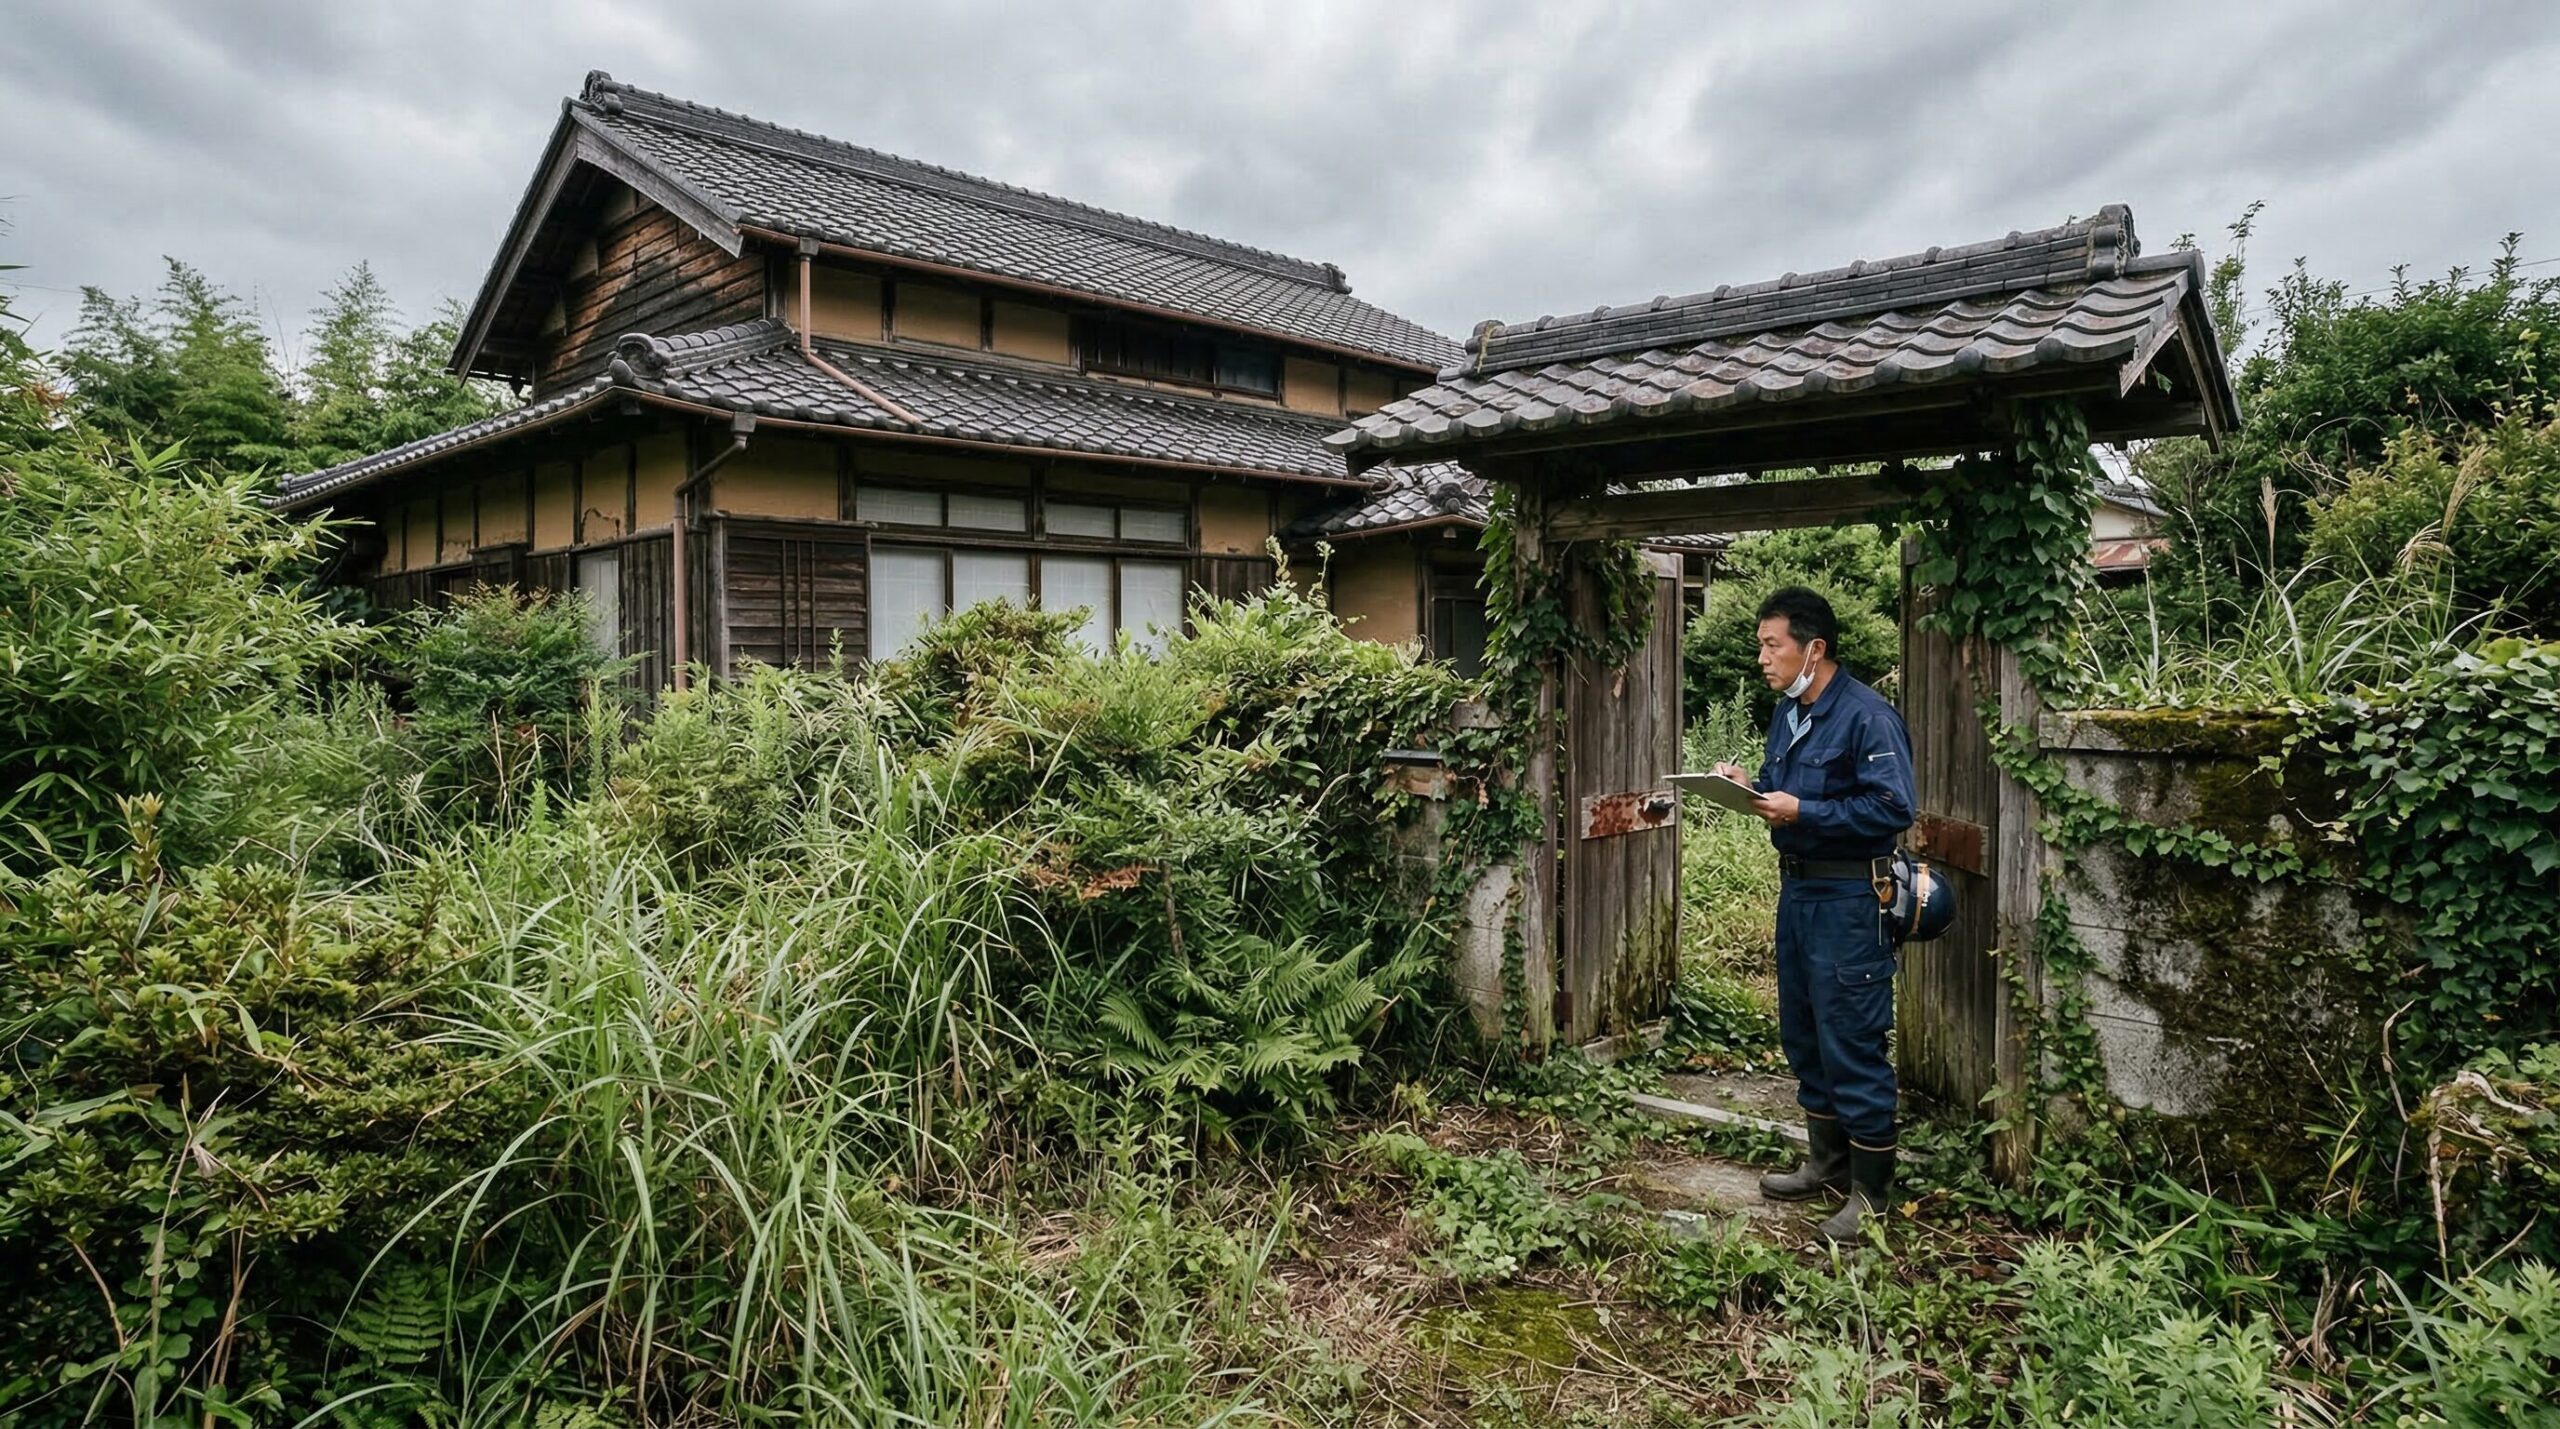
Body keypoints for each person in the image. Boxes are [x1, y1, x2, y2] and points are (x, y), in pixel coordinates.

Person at [1712, 585, 1915, 1245]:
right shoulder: (1787, 713)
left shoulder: (1867, 716)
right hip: (1797, 893)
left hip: (1851, 898)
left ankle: (1872, 1193)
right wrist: (1747, 789)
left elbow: (1892, 808)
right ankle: (1826, 1162)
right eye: (1761, 646)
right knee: (1802, 1028)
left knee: (1851, 1034)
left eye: (1773, 645)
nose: (1763, 658)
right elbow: (1785, 789)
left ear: (1814, 647)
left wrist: (1807, 812)